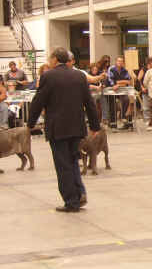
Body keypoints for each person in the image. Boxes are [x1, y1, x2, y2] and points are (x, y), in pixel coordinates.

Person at [28, 47, 100, 213]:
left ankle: (71, 201)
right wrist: (95, 126)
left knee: (63, 165)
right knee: (73, 161)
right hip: (76, 128)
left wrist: (30, 123)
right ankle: (79, 193)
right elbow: (89, 102)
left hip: (57, 128)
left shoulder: (48, 76)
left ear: (54, 59)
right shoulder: (79, 76)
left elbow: (38, 101)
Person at [106, 56, 133, 130]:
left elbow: (128, 81)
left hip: (122, 90)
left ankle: (124, 118)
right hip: (112, 91)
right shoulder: (111, 69)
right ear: (116, 62)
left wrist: (118, 83)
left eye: (121, 61)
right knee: (113, 106)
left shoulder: (125, 70)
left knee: (126, 100)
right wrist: (117, 83)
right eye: (118, 61)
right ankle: (113, 125)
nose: (120, 63)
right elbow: (110, 80)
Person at [137, 57, 152, 124]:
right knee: (146, 106)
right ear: (150, 62)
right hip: (145, 90)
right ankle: (147, 119)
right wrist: (142, 87)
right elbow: (139, 79)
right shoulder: (143, 69)